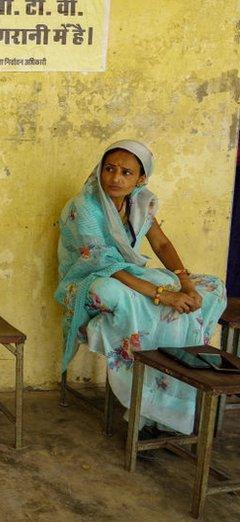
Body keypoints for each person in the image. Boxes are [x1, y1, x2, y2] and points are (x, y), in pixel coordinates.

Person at [56, 140, 227, 435]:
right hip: (87, 278)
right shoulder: (84, 206)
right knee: (118, 293)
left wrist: (184, 283)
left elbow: (160, 242)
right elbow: (105, 262)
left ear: (141, 178)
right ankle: (143, 408)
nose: (115, 178)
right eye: (109, 169)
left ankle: (171, 405)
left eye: (126, 172)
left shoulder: (140, 204)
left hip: (129, 275)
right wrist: (163, 295)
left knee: (211, 286)